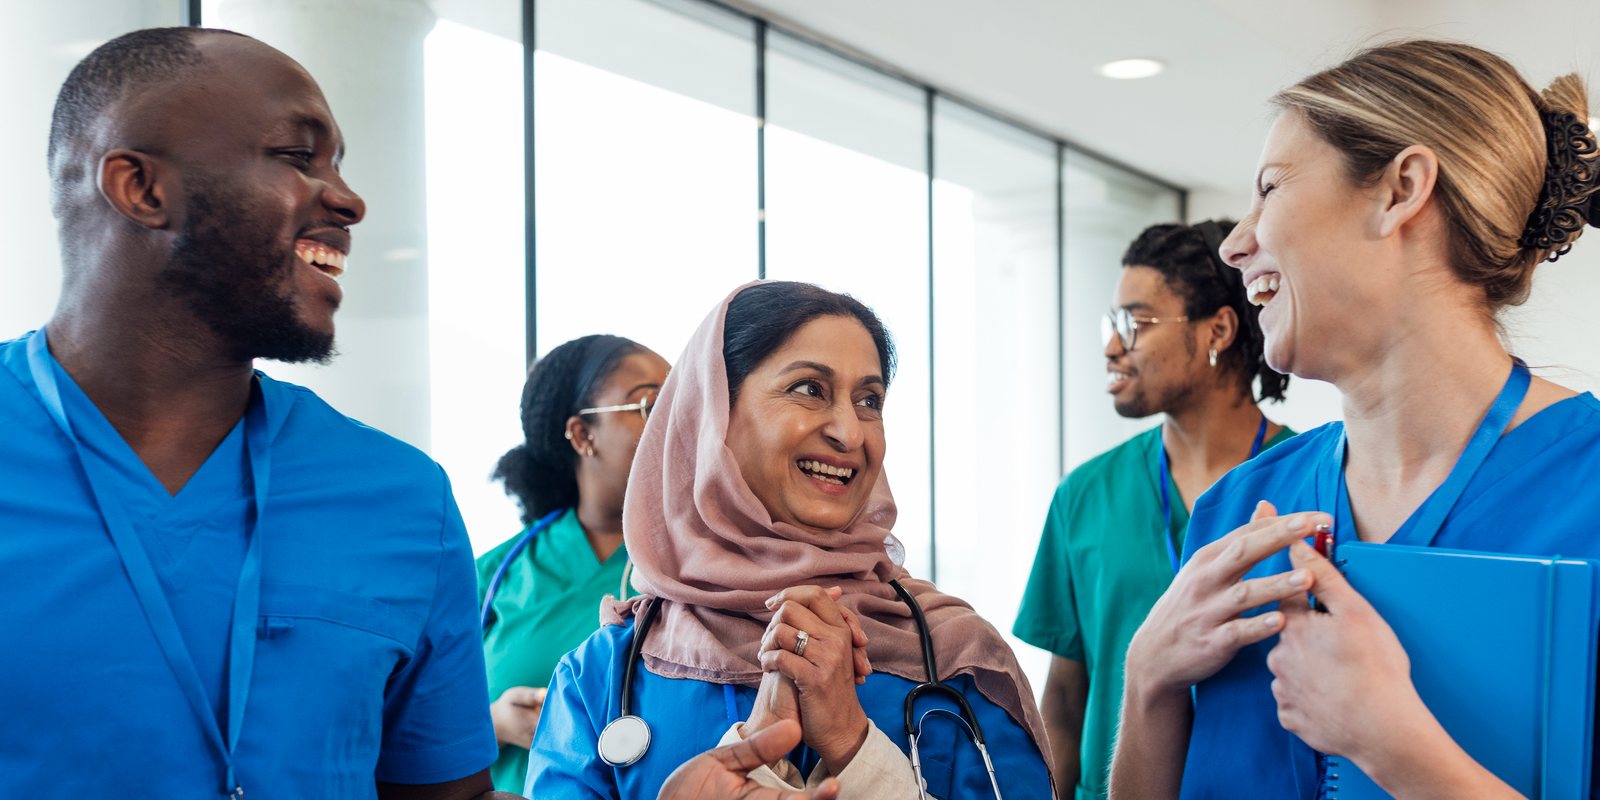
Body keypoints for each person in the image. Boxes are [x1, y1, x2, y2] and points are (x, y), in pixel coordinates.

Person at [0, 28, 517, 798]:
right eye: (297, 156)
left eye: (337, 163)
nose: (348, 199)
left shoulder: (403, 498)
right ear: (141, 188)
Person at [1109, 40, 1600, 799]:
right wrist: (1148, 682)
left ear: (1400, 189)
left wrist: (1393, 746)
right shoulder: (1234, 516)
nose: (1236, 246)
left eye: (1270, 189)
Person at [525, 280, 1054, 799]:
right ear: (712, 417)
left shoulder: (958, 655)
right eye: (809, 389)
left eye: (869, 400)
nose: (850, 432)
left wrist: (854, 746)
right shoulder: (602, 675)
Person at [1013, 221, 1294, 799]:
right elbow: (1066, 701)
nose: (1112, 346)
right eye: (1110, 324)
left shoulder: (1311, 484)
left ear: (1217, 329)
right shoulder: (1084, 496)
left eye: (1134, 323)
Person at [478, 333, 670, 791]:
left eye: (680, 403)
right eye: (649, 406)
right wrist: (495, 726)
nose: (674, 422)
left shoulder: (698, 572)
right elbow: (417, 734)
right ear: (583, 435)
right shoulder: (493, 575)